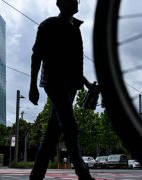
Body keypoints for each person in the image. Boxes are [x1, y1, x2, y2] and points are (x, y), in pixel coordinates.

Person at [28, 0, 95, 179]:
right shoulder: (48, 24)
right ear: (61, 3)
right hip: (54, 82)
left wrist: (87, 83)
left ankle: (36, 175)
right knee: (70, 126)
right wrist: (32, 85)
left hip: (71, 85)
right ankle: (83, 174)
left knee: (52, 133)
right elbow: (37, 55)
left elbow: (72, 64)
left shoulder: (76, 28)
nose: (76, 1)